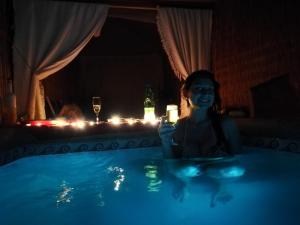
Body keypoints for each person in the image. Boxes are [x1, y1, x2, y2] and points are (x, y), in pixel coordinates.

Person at [158, 70, 244, 203]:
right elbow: (170, 162)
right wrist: (164, 139)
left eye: (210, 89)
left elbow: (239, 157)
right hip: (188, 174)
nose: (205, 93)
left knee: (233, 169)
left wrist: (225, 178)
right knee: (186, 169)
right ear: (186, 93)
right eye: (198, 88)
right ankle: (186, 185)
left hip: (220, 172)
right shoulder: (177, 126)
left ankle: (223, 187)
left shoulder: (225, 124)